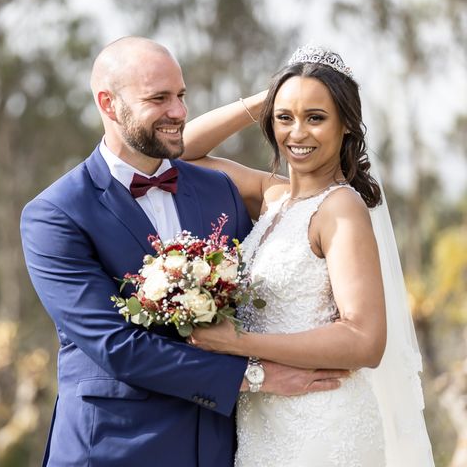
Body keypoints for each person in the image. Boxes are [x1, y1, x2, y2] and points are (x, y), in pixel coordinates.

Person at [20, 37, 347, 467]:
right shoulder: (56, 213)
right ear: (108, 103)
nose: (178, 112)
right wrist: (258, 376)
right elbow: (116, 346)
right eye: (159, 98)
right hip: (112, 448)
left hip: (217, 448)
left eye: (181, 95)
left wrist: (289, 94)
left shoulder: (220, 191)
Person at [182, 45, 434, 466]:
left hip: (323, 424)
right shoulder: (272, 197)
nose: (297, 133)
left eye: (315, 118)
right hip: (264, 423)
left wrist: (239, 343)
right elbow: (178, 151)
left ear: (346, 127)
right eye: (285, 118)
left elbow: (364, 339)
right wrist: (274, 95)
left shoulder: (341, 208)